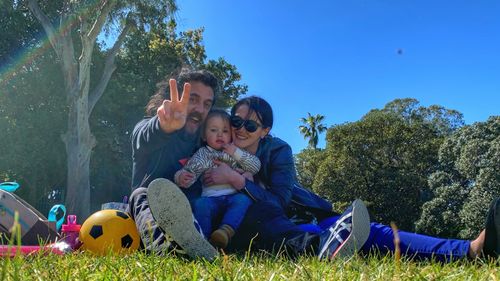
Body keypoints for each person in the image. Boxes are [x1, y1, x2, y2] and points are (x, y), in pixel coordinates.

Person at [202, 95, 500, 261]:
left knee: (374, 231)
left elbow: (281, 199)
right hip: (261, 227)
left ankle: (471, 249)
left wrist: (242, 181)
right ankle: (326, 246)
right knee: (281, 226)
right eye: (236, 121)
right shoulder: (213, 144)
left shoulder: (278, 150)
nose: (240, 130)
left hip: (300, 216)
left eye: (250, 125)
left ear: (265, 131)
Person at [128, 68, 221, 260]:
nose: (200, 110)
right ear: (175, 98)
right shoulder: (152, 126)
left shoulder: (206, 145)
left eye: (207, 104)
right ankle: (168, 249)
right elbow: (142, 137)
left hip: (193, 214)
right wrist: (163, 127)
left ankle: (297, 243)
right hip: (148, 213)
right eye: (193, 99)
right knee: (140, 194)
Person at [174, 109, 260, 249]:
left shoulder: (235, 152)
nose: (220, 134)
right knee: (200, 204)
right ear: (204, 135)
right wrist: (181, 177)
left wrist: (235, 152)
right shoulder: (203, 154)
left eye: (225, 131)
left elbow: (255, 166)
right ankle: (203, 240)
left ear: (231, 134)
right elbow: (190, 172)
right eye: (214, 130)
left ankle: (225, 232)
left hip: (233, 196)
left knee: (243, 200)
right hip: (210, 198)